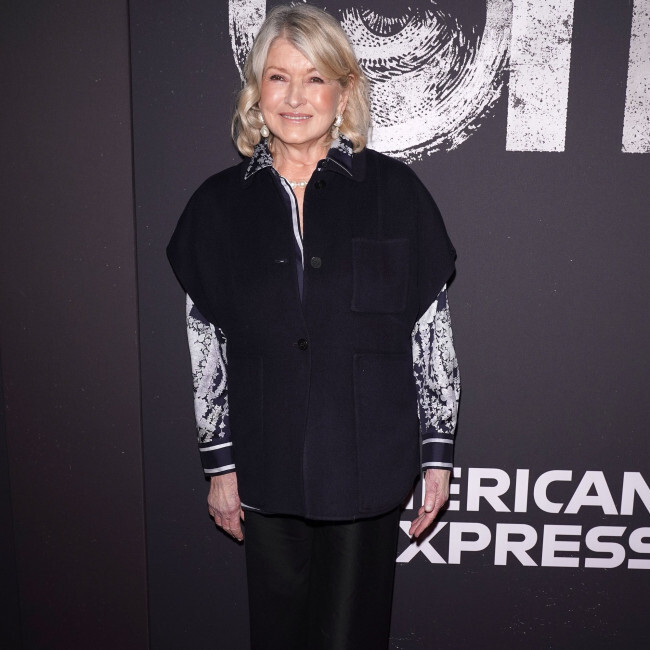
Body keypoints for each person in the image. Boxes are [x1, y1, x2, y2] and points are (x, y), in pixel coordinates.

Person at [167, 4, 460, 649]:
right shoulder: (217, 206)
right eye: (278, 77)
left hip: (367, 466)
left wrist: (437, 452)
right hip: (265, 467)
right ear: (257, 91)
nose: (295, 97)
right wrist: (220, 464)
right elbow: (205, 345)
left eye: (315, 78)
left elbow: (431, 334)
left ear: (344, 92)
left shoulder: (397, 194)